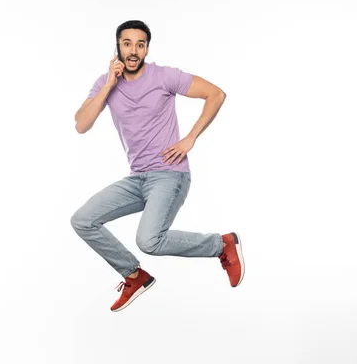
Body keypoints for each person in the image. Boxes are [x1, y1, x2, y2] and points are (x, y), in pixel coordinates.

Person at [71, 20, 245, 312]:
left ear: (147, 48)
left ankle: (222, 244)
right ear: (118, 47)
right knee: (83, 220)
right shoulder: (105, 83)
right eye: (127, 43)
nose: (134, 50)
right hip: (137, 178)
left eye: (140, 44)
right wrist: (110, 85)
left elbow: (216, 94)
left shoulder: (164, 76)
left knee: (149, 240)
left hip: (169, 174)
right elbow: (81, 124)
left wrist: (190, 138)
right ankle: (134, 275)